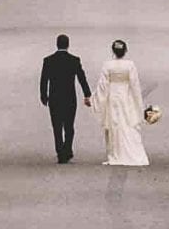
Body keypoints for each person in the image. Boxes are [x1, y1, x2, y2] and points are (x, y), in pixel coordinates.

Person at [91, 38, 149, 166]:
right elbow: (134, 85)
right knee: (127, 122)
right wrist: (138, 104)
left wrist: (94, 99)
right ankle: (130, 151)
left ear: (113, 51)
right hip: (125, 96)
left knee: (114, 124)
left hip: (112, 96)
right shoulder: (130, 65)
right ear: (125, 51)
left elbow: (102, 85)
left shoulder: (108, 65)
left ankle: (116, 152)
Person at [39, 33, 92, 163]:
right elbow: (81, 78)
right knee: (69, 126)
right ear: (68, 45)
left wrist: (43, 96)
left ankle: (59, 151)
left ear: (57, 44)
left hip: (54, 98)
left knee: (57, 126)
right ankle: (67, 149)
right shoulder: (74, 60)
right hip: (69, 98)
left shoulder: (48, 60)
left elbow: (43, 80)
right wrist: (87, 94)